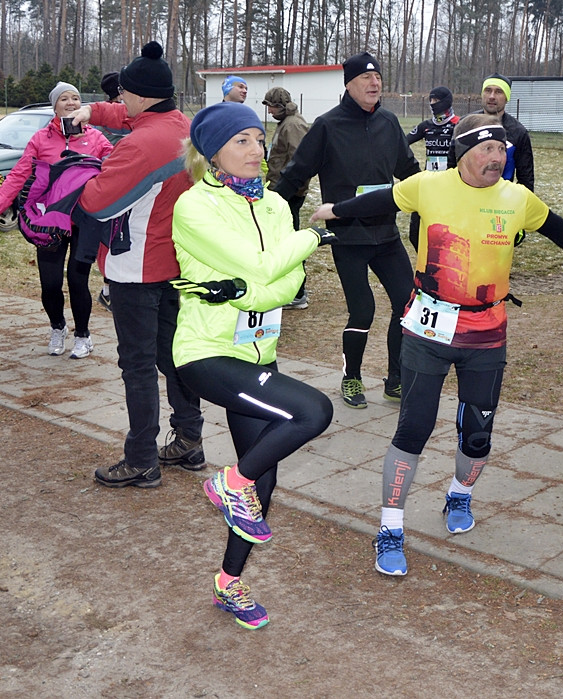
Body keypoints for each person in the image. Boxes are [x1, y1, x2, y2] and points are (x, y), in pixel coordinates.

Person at [311, 113, 563, 577]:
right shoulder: (428, 186)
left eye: (502, 150)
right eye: (488, 149)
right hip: (428, 325)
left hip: (486, 330)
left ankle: (460, 494)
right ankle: (390, 526)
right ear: (463, 150)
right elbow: (380, 200)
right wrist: (333, 210)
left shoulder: (517, 198)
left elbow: (557, 228)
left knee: (476, 430)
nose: (497, 157)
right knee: (413, 426)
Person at [171, 101, 336, 629]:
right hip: (206, 353)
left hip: (258, 350)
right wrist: (311, 238)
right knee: (313, 412)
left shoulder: (272, 205)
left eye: (258, 139)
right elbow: (269, 264)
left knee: (260, 478)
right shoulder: (194, 206)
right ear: (212, 151)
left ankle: (229, 582)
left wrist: (244, 289)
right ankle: (227, 481)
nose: (256, 150)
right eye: (241, 140)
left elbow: (287, 283)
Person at [73, 41, 207, 487]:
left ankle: (142, 458)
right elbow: (129, 115)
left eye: (123, 94)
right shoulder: (180, 125)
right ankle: (189, 439)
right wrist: (92, 113)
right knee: (176, 357)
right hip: (177, 263)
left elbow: (97, 203)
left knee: (137, 364)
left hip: (136, 268)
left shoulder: (141, 145)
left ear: (142, 95)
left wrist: (81, 172)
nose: (119, 102)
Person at [273, 51, 420, 408]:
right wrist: (269, 206)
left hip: (386, 233)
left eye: (379, 78)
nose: (375, 84)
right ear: (349, 84)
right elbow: (296, 172)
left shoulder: (388, 122)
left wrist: (443, 196)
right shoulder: (327, 125)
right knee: (363, 310)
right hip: (348, 235)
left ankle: (396, 378)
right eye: (366, 79)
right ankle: (351, 377)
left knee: (406, 303)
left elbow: (410, 172)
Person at [0, 81, 113, 358]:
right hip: (49, 221)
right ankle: (57, 327)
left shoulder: (96, 138)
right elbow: (18, 175)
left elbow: (115, 168)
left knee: (78, 280)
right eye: (64, 99)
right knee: (49, 282)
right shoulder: (41, 139)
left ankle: (83, 336)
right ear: (55, 106)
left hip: (84, 222)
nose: (71, 103)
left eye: (75, 98)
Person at [262, 86, 311, 309]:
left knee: (291, 244)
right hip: (281, 192)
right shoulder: (286, 122)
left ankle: (298, 293)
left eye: (271, 106)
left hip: (289, 194)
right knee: (281, 243)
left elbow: (301, 162)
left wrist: (292, 192)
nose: (269, 111)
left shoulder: (293, 125)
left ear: (281, 106)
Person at [405, 85, 459, 249]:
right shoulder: (426, 125)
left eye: (437, 100)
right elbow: (402, 142)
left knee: (447, 228)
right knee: (415, 230)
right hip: (429, 182)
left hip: (452, 184)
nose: (433, 104)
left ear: (447, 102)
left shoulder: (459, 124)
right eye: (431, 100)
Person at [95, 70, 128, 312]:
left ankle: (111, 288)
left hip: (129, 181)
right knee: (110, 237)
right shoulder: (111, 117)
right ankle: (109, 289)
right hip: (113, 182)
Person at [479, 73, 533, 191]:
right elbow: (452, 167)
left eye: (499, 92)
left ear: (507, 97)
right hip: (468, 200)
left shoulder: (518, 132)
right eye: (488, 90)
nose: (492, 96)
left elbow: (526, 178)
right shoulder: (465, 126)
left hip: (501, 201)